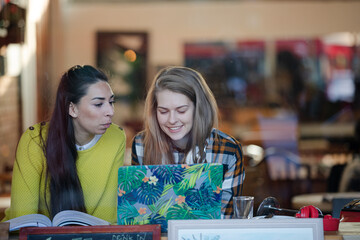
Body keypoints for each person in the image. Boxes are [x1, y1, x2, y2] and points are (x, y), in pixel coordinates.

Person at [2, 65, 126, 224]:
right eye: (98, 104)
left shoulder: (116, 138)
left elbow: (106, 219)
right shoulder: (34, 141)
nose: (110, 111)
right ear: (72, 109)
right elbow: (23, 221)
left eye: (111, 102)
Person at [131, 66, 245, 218]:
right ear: (154, 111)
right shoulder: (141, 145)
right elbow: (139, 215)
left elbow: (225, 220)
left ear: (200, 109)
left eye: (181, 110)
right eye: (163, 111)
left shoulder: (228, 151)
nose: (172, 120)